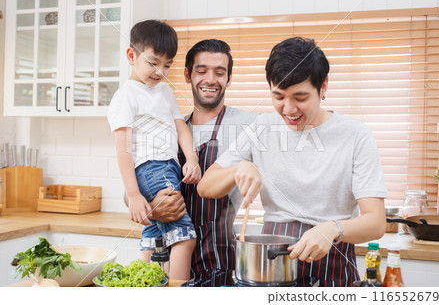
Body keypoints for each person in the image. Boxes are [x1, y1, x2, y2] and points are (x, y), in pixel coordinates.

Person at [197, 37, 387, 287]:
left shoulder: (355, 135)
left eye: (300, 97)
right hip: (270, 264)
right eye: (278, 96)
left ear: (324, 86)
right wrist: (239, 168)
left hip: (333, 261)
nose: (288, 109)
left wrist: (331, 229)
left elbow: (376, 222)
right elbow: (205, 186)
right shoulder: (262, 127)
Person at [153, 39, 259, 285]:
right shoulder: (170, 128)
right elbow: (134, 187)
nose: (210, 79)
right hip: (167, 259)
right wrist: (151, 205)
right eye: (201, 71)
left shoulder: (249, 125)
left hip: (220, 261)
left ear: (229, 79)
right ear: (187, 75)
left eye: (219, 73)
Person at [107, 20, 201, 280]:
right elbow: (123, 149)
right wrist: (134, 195)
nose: (160, 71)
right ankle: (176, 293)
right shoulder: (126, 95)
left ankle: (149, 286)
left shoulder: (164, 91)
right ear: (131, 55)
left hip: (166, 166)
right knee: (184, 237)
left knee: (155, 235)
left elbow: (181, 127)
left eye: (167, 65)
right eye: (153, 62)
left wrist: (191, 158)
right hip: (152, 168)